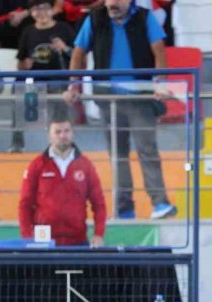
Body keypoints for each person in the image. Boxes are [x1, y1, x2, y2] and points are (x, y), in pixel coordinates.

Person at [63, 0, 178, 220]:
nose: (113, 3)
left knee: (148, 151)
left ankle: (160, 202)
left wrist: (161, 81)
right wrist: (73, 84)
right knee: (118, 155)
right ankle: (124, 208)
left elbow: (159, 51)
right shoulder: (95, 18)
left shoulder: (145, 17)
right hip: (109, 99)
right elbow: (79, 52)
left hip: (140, 98)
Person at [18, 116, 106, 247]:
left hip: (78, 241)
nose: (63, 136)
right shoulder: (37, 165)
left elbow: (99, 204)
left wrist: (99, 234)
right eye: (57, 132)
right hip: (44, 242)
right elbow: (25, 205)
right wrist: (27, 237)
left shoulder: (85, 165)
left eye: (66, 131)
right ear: (49, 136)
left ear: (73, 133)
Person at [11, 0, 75, 151]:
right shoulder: (28, 32)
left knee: (60, 104)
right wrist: (25, 64)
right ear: (31, 13)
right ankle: (17, 144)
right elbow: (20, 64)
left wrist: (65, 48)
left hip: (59, 81)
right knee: (19, 98)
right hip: (34, 82)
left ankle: (60, 141)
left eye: (45, 8)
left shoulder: (64, 29)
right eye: (36, 9)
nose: (41, 13)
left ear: (52, 10)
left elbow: (79, 56)